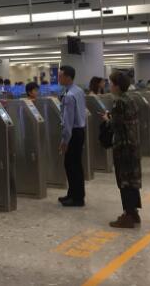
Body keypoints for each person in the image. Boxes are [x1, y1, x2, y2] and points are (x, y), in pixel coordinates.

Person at [101, 71, 142, 228]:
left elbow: (116, 125)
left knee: (124, 181)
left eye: (111, 84)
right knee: (132, 180)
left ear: (117, 86)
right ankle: (134, 212)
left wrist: (107, 119)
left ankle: (128, 216)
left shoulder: (118, 102)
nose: (110, 86)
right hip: (133, 144)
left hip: (123, 146)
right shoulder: (131, 99)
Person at [58, 65, 87, 207]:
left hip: (73, 133)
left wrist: (64, 141)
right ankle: (73, 194)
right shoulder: (79, 91)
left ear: (68, 77)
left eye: (60, 76)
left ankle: (77, 198)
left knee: (71, 165)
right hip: (80, 131)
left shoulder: (69, 96)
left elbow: (68, 121)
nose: (58, 78)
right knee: (76, 165)